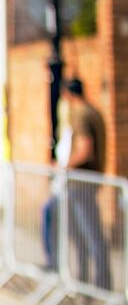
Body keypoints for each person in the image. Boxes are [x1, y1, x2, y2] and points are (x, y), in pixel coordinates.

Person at [61, 78, 110, 290]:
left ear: (68, 95)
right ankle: (91, 283)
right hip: (91, 180)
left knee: (87, 235)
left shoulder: (80, 114)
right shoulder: (94, 111)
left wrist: (65, 167)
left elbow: (85, 148)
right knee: (88, 234)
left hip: (81, 183)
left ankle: (95, 285)